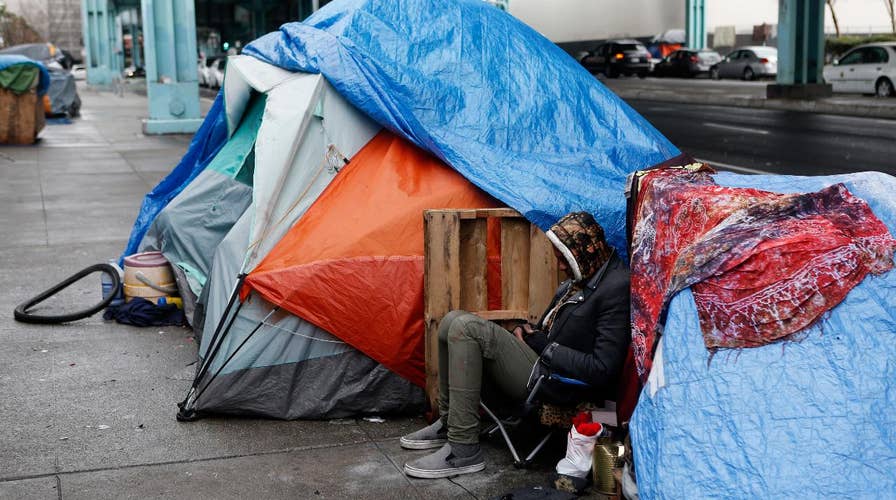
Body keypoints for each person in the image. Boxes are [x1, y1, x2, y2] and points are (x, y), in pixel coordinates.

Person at [401, 212, 631, 479]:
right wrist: (526, 329)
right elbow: (550, 325)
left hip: (556, 382)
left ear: (581, 251)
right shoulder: (584, 277)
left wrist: (546, 346)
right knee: (451, 320)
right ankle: (450, 421)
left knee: (466, 328)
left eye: (562, 258)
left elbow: (604, 368)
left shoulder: (616, 287)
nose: (560, 267)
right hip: (541, 361)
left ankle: (463, 451)